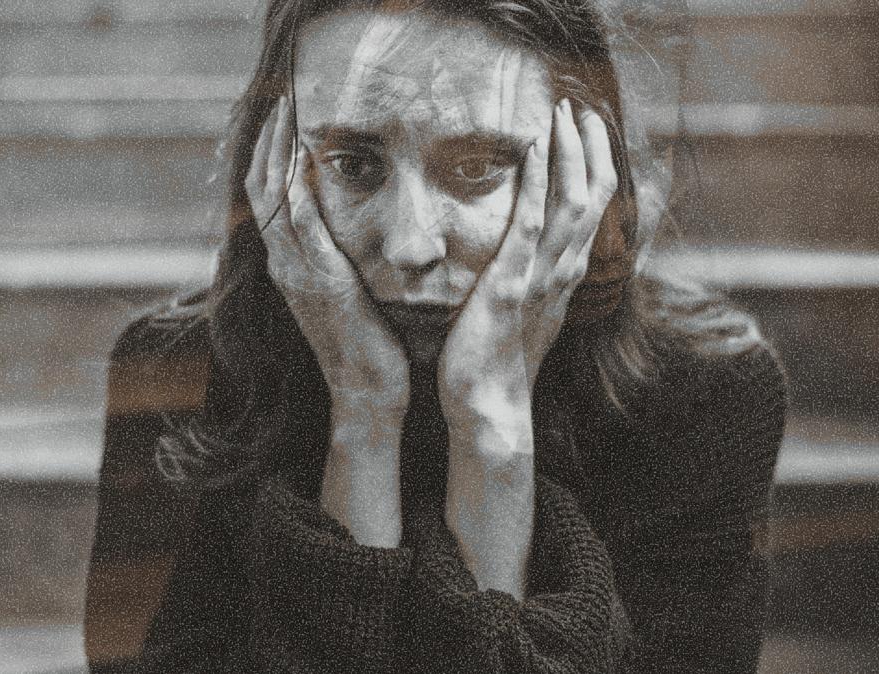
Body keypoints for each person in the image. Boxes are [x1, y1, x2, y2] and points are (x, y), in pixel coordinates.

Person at [84, 0, 789, 671]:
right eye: (353, 165)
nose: (410, 246)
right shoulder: (177, 373)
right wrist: (363, 415)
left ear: (581, 173)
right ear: (274, 168)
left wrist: (490, 428)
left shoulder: (705, 395)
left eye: (476, 168)